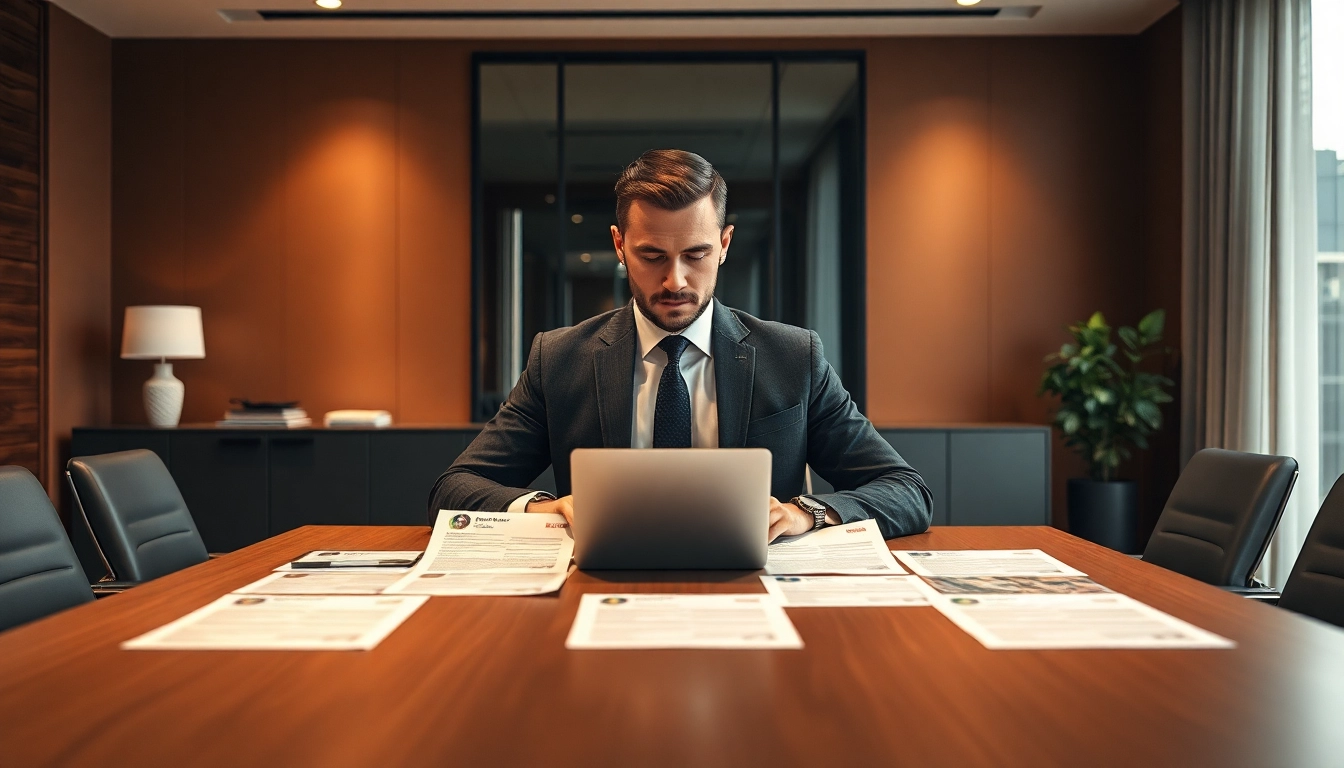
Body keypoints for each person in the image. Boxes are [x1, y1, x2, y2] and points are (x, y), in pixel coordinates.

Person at [431, 149, 932, 541]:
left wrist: (806, 513)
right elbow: (454, 490)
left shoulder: (793, 357)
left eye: (696, 254)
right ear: (619, 245)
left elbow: (906, 491)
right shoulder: (560, 358)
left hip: (757, 586)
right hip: (604, 584)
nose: (675, 281)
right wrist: (550, 507)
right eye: (652, 256)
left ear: (726, 244)